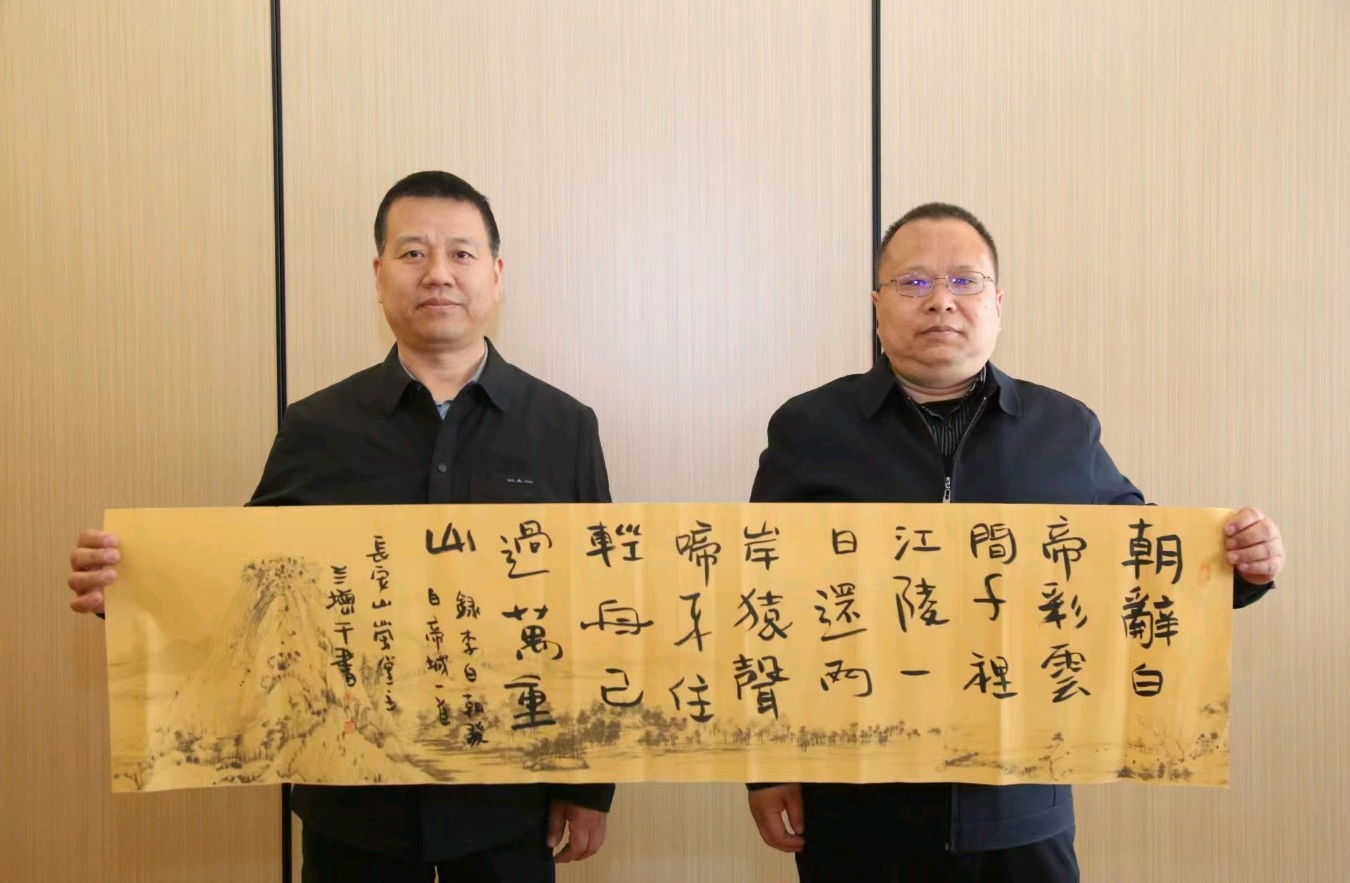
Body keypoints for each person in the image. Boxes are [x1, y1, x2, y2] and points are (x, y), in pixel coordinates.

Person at [68, 171, 613, 881]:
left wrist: (588, 788)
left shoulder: (564, 427)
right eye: (412, 253)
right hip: (351, 803)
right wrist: (134, 589)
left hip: (508, 800)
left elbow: (596, 608)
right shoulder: (317, 426)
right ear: (379, 273)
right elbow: (247, 590)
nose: (438, 273)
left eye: (461, 253)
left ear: (496, 274)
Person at [744, 202, 1285, 882]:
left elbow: (1143, 567)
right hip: (856, 803)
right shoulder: (810, 428)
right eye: (913, 283)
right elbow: (756, 605)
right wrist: (765, 769)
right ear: (877, 306)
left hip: (1023, 806)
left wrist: (1244, 567)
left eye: (964, 281)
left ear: (998, 305)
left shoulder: (1063, 428)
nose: (940, 301)